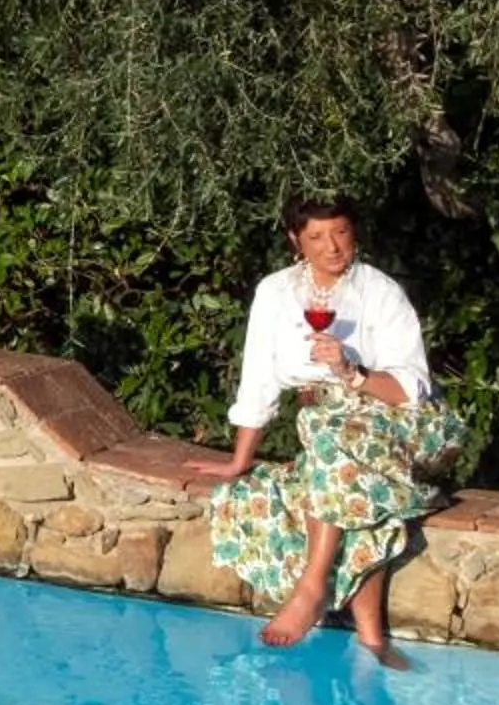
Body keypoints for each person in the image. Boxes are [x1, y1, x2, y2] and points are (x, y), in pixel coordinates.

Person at [197, 198, 464, 664]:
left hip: (400, 421)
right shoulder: (276, 292)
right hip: (332, 435)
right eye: (317, 236)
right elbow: (258, 375)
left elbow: (411, 389)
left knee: (329, 440)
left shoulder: (379, 291)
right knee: (337, 485)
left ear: (354, 232)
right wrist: (240, 460)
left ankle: (313, 584)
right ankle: (371, 636)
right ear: (295, 241)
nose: (332, 247)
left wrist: (351, 371)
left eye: (340, 232)